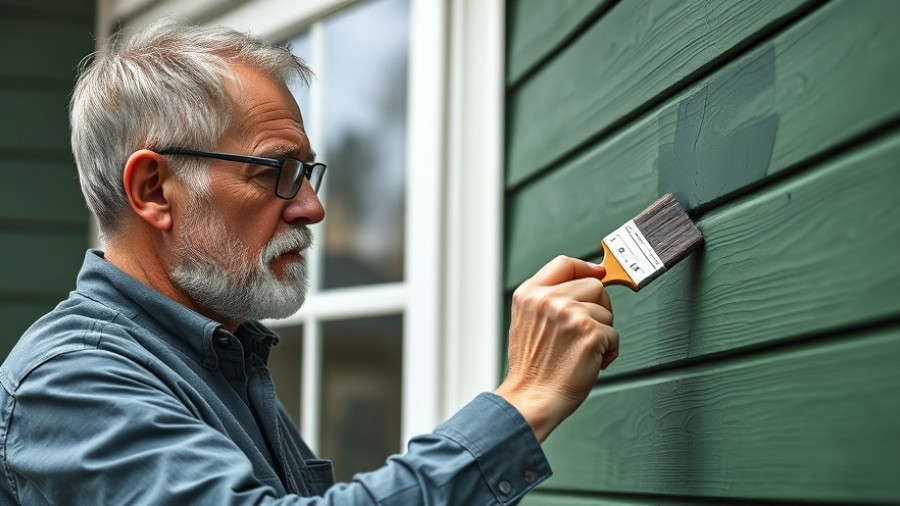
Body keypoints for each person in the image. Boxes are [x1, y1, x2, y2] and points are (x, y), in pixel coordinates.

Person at [0, 19, 617, 505]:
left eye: (307, 172)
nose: (312, 208)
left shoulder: (221, 354)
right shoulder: (72, 382)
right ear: (155, 191)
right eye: (278, 171)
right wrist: (525, 400)